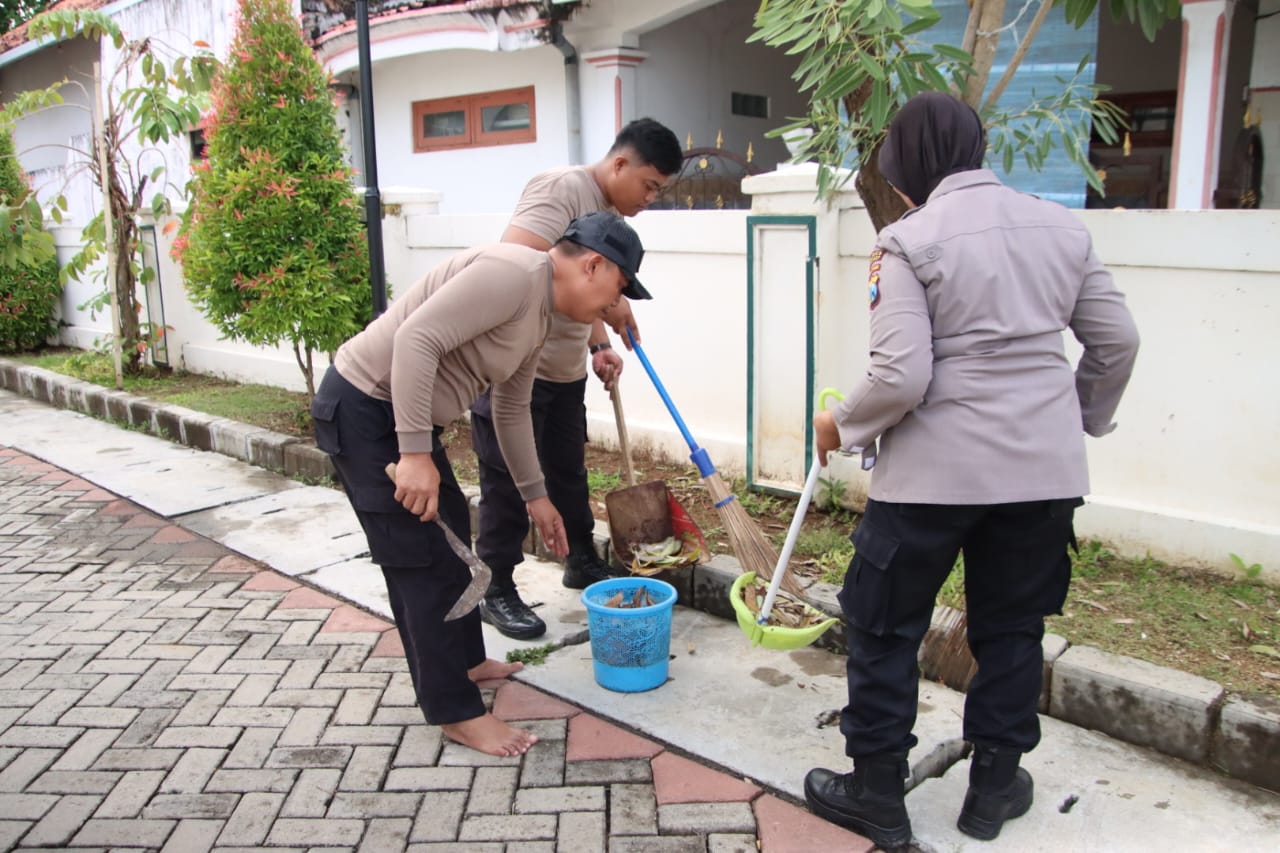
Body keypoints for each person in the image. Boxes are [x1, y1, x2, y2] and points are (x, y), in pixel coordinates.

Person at [803, 92, 1139, 848]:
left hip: (930, 479)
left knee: (884, 625)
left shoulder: (906, 241)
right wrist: (1078, 419)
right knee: (1012, 627)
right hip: (1041, 478)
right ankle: (993, 789)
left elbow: (900, 375)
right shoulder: (1063, 228)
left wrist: (839, 423)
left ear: (904, 166)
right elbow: (1118, 341)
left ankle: (876, 792)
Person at [310, 212, 649, 757]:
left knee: (454, 552)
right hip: (365, 410)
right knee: (421, 562)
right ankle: (456, 711)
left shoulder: (541, 312)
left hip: (402, 419)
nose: (614, 304)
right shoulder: (514, 273)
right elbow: (416, 339)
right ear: (593, 265)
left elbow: (511, 407)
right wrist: (414, 452)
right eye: (619, 287)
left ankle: (466, 661)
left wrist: (537, 496)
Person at [470, 118, 684, 640]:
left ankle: (581, 559)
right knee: (506, 481)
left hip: (562, 371)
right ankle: (495, 587)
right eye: (649, 185)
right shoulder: (562, 189)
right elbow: (519, 266)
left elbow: (582, 282)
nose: (650, 198)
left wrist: (599, 344)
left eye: (658, 191)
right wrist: (611, 305)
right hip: (518, 368)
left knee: (569, 472)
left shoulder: (606, 209)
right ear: (620, 164)